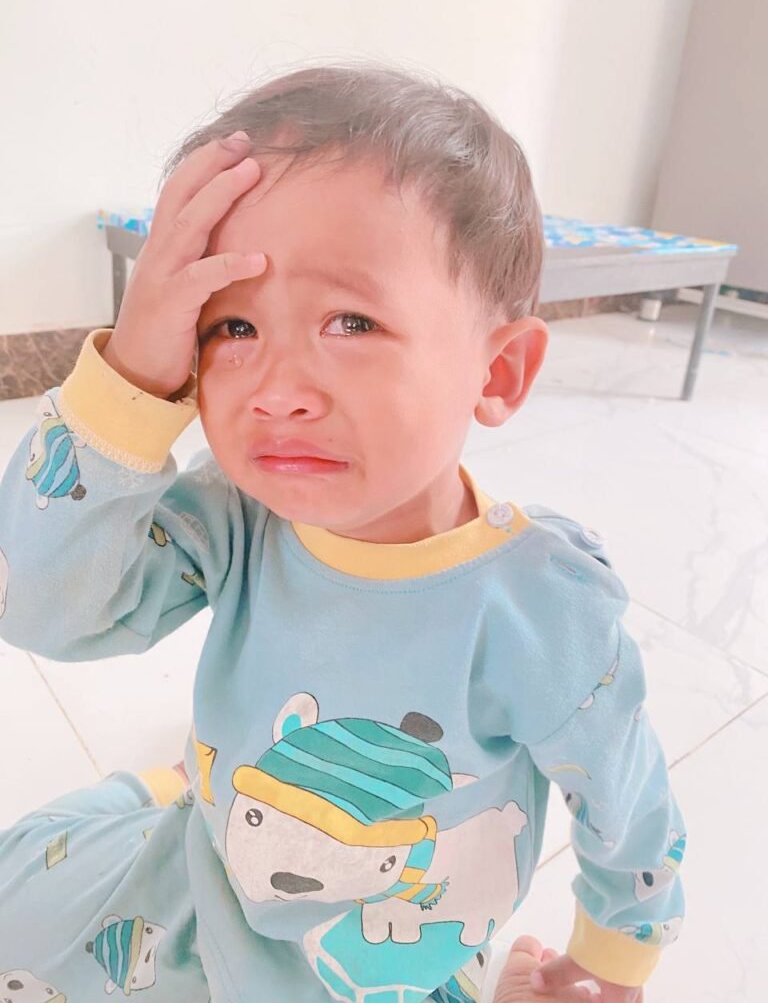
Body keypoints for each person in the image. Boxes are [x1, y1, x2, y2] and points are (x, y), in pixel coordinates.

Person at [0, 64, 684, 1003]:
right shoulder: (231, 519)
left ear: (499, 372)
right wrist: (132, 377)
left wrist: (612, 959)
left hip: (389, 952)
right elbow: (43, 606)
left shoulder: (537, 608)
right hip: (209, 887)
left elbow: (626, 798)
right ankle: (157, 796)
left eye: (350, 320)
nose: (276, 388)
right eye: (230, 326)